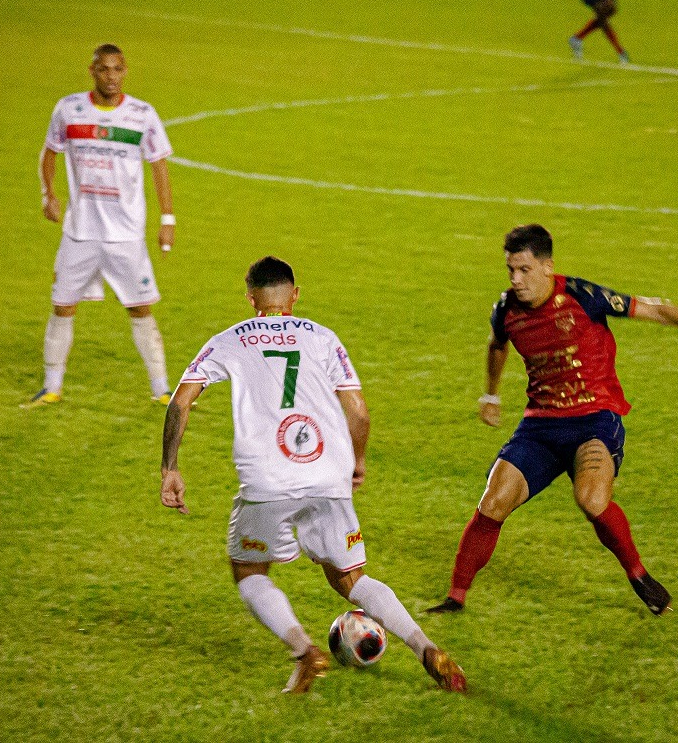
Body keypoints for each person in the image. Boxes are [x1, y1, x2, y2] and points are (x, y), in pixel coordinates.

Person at [161, 257, 466, 694]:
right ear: (295, 295)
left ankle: (304, 651)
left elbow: (180, 401)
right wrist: (356, 462)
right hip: (327, 470)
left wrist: (170, 467)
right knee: (349, 577)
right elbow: (358, 410)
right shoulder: (322, 337)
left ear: (250, 299)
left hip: (267, 475)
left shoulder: (229, 341)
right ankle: (425, 647)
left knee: (249, 570)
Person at [427, 224, 678, 617]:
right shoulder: (506, 309)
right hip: (540, 425)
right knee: (492, 502)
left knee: (591, 500)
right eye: (510, 269)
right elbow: (498, 344)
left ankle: (639, 576)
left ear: (548, 267)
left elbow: (653, 308)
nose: (516, 279)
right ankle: (455, 598)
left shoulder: (583, 297)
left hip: (594, 419)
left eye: (524, 269)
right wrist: (491, 393)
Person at [22, 44, 177, 409]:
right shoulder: (68, 109)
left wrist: (167, 218)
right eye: (105, 69)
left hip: (125, 234)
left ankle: (162, 389)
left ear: (125, 71)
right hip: (81, 231)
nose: (112, 76)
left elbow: (159, 165)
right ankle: (51, 387)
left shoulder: (142, 114)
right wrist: (49, 195)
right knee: (63, 305)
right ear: (92, 70)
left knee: (140, 308)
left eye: (118, 69)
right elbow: (49, 152)